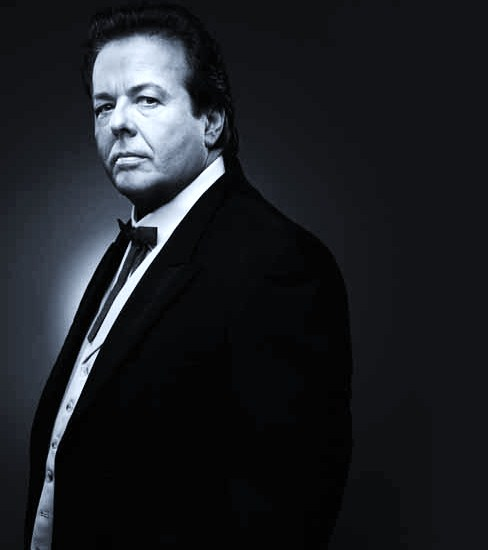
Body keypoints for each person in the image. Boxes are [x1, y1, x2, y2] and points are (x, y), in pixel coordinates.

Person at [24, 2, 353, 548]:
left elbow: (286, 511)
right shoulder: (125, 248)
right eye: (103, 106)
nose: (118, 122)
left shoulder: (283, 262)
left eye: (147, 99)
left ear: (212, 122)